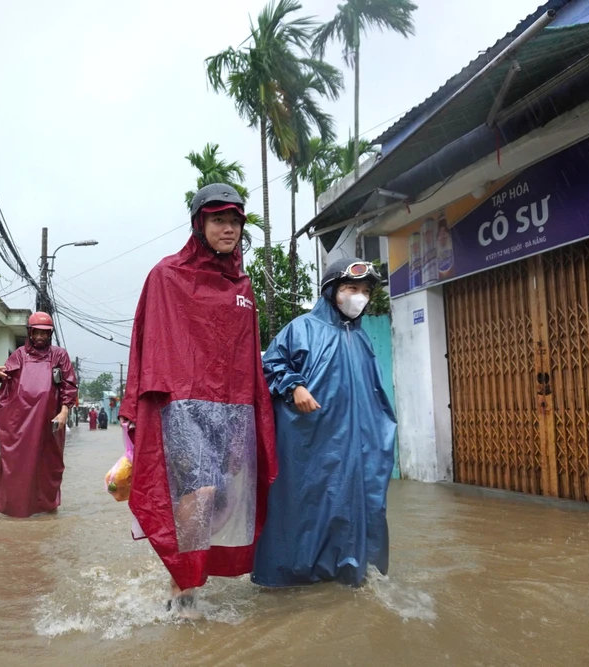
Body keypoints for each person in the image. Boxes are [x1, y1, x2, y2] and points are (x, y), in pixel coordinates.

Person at [119, 183, 277, 615]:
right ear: (199, 223)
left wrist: (256, 413)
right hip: (183, 409)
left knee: (225, 498)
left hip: (233, 413)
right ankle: (182, 590)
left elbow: (247, 355)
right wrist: (136, 410)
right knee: (198, 492)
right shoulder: (166, 276)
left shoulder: (242, 286)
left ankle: (190, 578)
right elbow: (145, 344)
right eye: (218, 220)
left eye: (234, 221)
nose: (229, 229)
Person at [252, 258, 397, 588]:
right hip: (307, 444)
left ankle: (346, 574)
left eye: (365, 291)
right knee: (302, 506)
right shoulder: (301, 329)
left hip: (355, 446)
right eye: (351, 289)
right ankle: (289, 578)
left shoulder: (362, 341)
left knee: (353, 506)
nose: (358, 297)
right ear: (332, 291)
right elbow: (270, 366)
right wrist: (295, 386)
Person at [0, 312, 77, 517]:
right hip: (21, 421)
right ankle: (16, 509)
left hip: (49, 421)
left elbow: (68, 386)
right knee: (18, 464)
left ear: (50, 334)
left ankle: (48, 507)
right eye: (37, 333)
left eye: (45, 333)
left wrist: (63, 412)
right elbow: (1, 375)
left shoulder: (59, 355)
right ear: (30, 332)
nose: (41, 337)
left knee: (50, 464)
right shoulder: (19, 355)